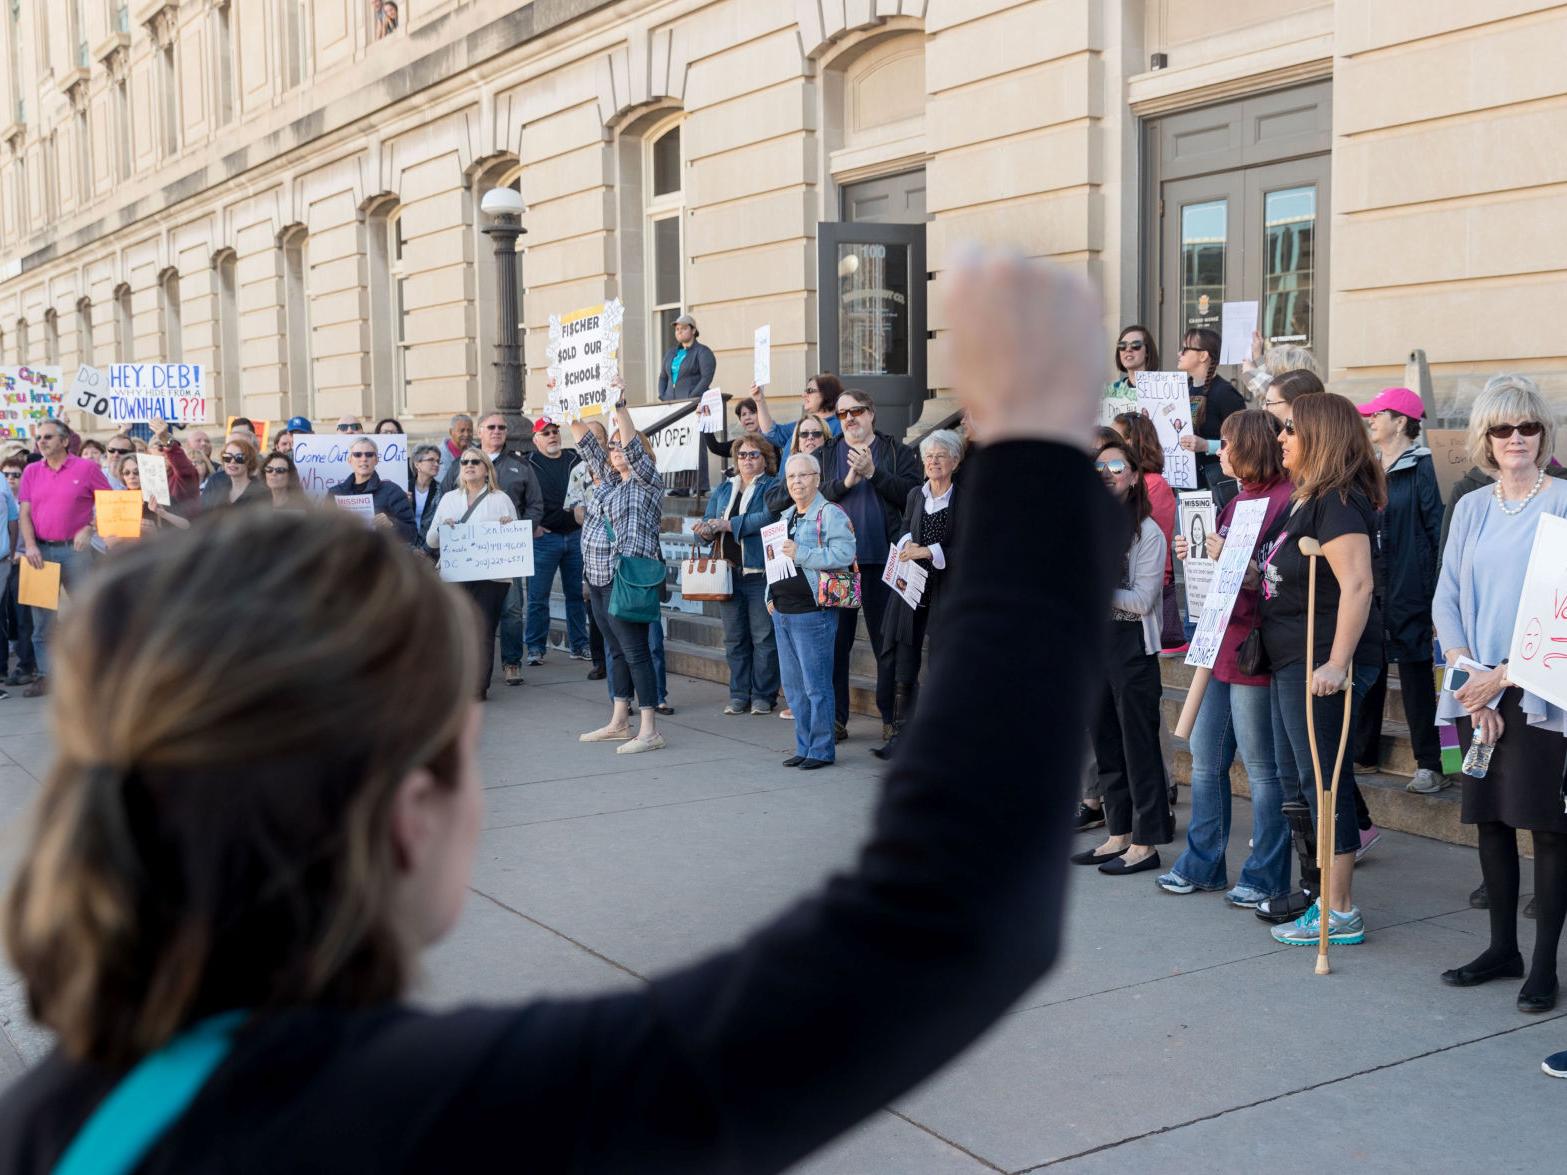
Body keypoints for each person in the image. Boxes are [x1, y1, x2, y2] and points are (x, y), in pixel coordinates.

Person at [0, 253, 1119, 1175]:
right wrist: (1029, 439)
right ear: (406, 812)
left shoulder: (57, 1124)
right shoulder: (419, 1120)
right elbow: (940, 925)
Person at [1431, 375, 1567, 1012]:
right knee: (1486, 817)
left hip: (1541, 689)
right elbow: (1447, 599)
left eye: (1528, 427)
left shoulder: (1563, 503)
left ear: (1543, 433)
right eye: (1503, 429)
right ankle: (1501, 948)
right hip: (1473, 691)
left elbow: (1561, 610)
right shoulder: (1472, 507)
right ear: (1485, 437)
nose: (1516, 439)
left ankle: (1544, 966)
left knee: (1546, 825)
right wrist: (1469, 679)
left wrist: (1505, 675)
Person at [1257, 393, 1385, 948]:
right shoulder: (1305, 499)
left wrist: (1336, 662)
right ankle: (1319, 896)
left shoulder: (1338, 502)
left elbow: (1358, 585)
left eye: (1290, 428)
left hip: (1318, 663)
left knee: (1325, 781)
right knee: (1300, 781)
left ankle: (1341, 910)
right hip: (1288, 657)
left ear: (1321, 436)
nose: (1281, 437)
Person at [1158, 410, 1295, 904]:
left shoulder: (1286, 500)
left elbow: (1279, 579)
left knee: (1261, 770)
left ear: (1249, 446)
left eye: (1227, 444)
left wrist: (1240, 565)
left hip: (1254, 649)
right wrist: (1195, 554)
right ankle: (1203, 862)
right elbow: (1222, 573)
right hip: (1220, 638)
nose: (1218, 452)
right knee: (1206, 758)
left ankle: (1264, 876)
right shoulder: (1238, 500)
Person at [1073, 440, 1172, 875]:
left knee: (1139, 747)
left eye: (1117, 465)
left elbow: (1145, 599)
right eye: (1099, 466)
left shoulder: (1146, 531)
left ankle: (1147, 843)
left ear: (1134, 474)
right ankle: (1119, 833)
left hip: (1130, 645)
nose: (1107, 472)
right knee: (1106, 745)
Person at [1354, 387, 1445, 796]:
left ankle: (1430, 764)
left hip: (1411, 587)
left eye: (1378, 414)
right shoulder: (1367, 466)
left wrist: (1437, 595)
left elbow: (1436, 530)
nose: (1371, 420)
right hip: (1372, 585)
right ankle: (1363, 752)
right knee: (1369, 670)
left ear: (1402, 421)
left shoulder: (1423, 467)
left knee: (1414, 676)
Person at [570, 382, 667, 753]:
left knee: (636, 650)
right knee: (615, 650)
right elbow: (586, 447)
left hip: (624, 577)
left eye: (622, 445)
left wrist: (620, 408)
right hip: (596, 577)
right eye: (612, 446)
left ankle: (649, 729)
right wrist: (569, 409)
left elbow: (631, 450)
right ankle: (619, 719)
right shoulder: (608, 482)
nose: (615, 451)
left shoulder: (647, 482)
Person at [819, 389, 921, 742]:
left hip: (884, 562)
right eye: (843, 413)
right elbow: (810, 494)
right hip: (839, 566)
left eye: (857, 411)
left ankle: (891, 719)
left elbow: (913, 495)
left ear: (871, 413)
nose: (850, 418)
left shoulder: (896, 452)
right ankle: (836, 719)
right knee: (836, 644)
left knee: (886, 644)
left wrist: (874, 473)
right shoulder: (828, 453)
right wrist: (845, 482)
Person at [870, 429, 962, 760]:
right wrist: (907, 542)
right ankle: (901, 735)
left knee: (942, 661)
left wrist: (929, 552)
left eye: (940, 455)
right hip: (912, 585)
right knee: (903, 658)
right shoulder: (915, 495)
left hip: (947, 589)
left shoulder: (964, 498)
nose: (933, 461)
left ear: (955, 460)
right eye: (928, 456)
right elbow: (904, 526)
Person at [768, 452, 857, 769]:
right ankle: (804, 746)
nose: (796, 482)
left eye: (803, 476)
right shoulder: (785, 516)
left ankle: (821, 750)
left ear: (817, 478)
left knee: (816, 686)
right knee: (793, 689)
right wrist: (770, 595)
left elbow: (845, 552)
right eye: (791, 477)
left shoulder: (830, 513)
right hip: (783, 611)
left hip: (814, 611)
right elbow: (775, 560)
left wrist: (802, 552)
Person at [440, 413, 543, 683]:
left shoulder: (520, 465)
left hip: (503, 556)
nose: (497, 431)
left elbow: (534, 503)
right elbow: (443, 502)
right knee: (471, 617)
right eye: (491, 427)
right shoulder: (459, 464)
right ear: (481, 431)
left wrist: (521, 531)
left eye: (502, 427)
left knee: (511, 609)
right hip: (466, 561)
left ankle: (511, 662)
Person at [15, 420, 112, 697]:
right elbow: (24, 514)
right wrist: (30, 546)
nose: (41, 442)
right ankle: (47, 676)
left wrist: (90, 528)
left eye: (47, 437)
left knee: (87, 614)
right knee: (42, 621)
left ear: (65, 440)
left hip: (76, 552)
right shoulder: (32, 471)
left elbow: (109, 504)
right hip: (40, 553)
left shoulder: (87, 468)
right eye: (38, 438)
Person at [426, 446, 520, 700]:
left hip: (491, 577)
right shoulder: (449, 499)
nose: (468, 465)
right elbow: (431, 540)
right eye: (464, 462)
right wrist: (444, 529)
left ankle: (478, 686)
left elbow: (512, 536)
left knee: (483, 628)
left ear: (486, 469)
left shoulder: (500, 499)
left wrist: (506, 526)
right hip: (455, 573)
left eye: (475, 462)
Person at [697, 435, 781, 716]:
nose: (747, 459)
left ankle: (763, 695)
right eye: (742, 455)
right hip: (727, 574)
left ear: (765, 459)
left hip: (759, 573)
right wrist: (706, 531)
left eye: (753, 455)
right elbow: (710, 524)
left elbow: (769, 518)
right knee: (734, 639)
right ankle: (738, 694)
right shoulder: (724, 488)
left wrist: (728, 524)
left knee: (763, 638)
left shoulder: (772, 486)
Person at [1112, 412, 1181, 651]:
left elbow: (1151, 547)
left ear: (1131, 442)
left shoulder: (1154, 485)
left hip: (1143, 602)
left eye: (1115, 438)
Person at [525, 417, 589, 665]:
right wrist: (531, 525)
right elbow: (518, 495)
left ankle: (579, 645)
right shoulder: (528, 463)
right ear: (536, 439)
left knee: (576, 595)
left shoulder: (575, 458)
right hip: (545, 538)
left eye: (554, 431)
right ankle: (535, 648)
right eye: (546, 432)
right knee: (538, 597)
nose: (552, 436)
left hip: (575, 536)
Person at [1175, 327, 1245, 487]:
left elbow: (1243, 441)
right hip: (1184, 481)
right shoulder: (1182, 388)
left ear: (1203, 355)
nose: (1180, 353)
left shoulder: (1225, 393)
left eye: (1185, 349)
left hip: (1215, 483)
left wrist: (1207, 445)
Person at [328, 439, 417, 544]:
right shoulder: (335, 492)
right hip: (344, 556)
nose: (364, 459)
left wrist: (391, 523)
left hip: (379, 557)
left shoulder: (392, 491)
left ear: (376, 460)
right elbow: (322, 532)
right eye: (357, 454)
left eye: (369, 454)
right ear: (349, 460)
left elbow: (412, 535)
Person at [102, 454, 191, 544]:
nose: (131, 476)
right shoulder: (117, 500)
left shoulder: (159, 497)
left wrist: (163, 515)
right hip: (128, 554)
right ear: (122, 476)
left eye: (137, 472)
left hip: (156, 553)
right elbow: (109, 541)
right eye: (127, 473)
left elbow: (186, 525)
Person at [752, 373, 844, 452]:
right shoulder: (802, 424)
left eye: (810, 391)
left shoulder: (840, 426)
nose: (803, 395)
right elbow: (772, 433)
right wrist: (759, 400)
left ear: (827, 393)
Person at [656, 313, 717, 403]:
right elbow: (663, 377)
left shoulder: (703, 352)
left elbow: (706, 378)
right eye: (677, 329)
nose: (679, 331)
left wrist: (691, 396)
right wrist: (663, 395)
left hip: (692, 404)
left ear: (693, 330)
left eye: (684, 328)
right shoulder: (670, 353)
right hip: (670, 403)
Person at [201, 438, 268, 510]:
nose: (232, 461)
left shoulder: (261, 492)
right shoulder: (216, 483)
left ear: (249, 461)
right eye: (227, 457)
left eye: (239, 458)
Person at [1105, 324, 1158, 402]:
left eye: (1136, 345)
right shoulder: (1111, 392)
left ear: (1147, 351)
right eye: (1122, 345)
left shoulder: (1162, 388)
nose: (1128, 349)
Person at [409, 444, 444, 557]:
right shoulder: (403, 488)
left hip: (431, 554)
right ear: (417, 464)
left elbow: (441, 524)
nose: (436, 464)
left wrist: (425, 550)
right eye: (431, 460)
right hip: (406, 552)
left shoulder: (442, 491)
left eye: (438, 461)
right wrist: (411, 550)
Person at [437, 414, 475, 481]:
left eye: (469, 430)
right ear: (451, 432)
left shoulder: (479, 451)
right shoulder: (438, 454)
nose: (466, 434)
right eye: (462, 431)